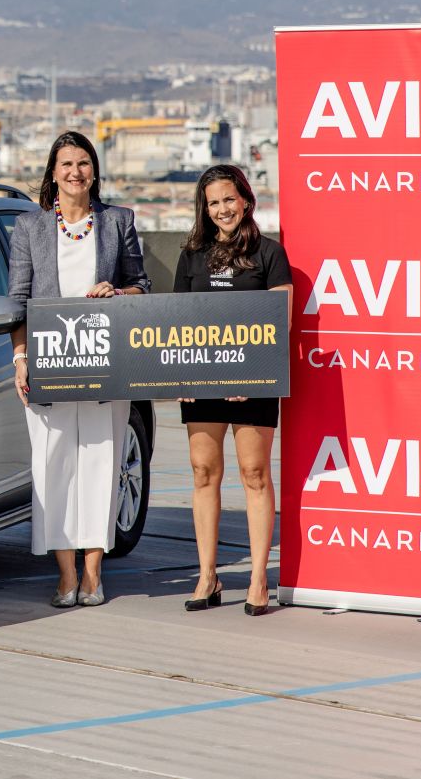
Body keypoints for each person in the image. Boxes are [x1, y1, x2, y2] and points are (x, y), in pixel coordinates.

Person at [8, 131, 147, 608]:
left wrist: (118, 293)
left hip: (106, 362)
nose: (75, 172)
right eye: (66, 164)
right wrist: (20, 359)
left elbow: (140, 288)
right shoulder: (28, 229)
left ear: (95, 171)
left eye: (83, 163)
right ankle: (65, 573)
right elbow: (17, 303)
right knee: (53, 467)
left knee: (101, 464)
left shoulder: (118, 222)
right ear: (52, 173)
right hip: (50, 364)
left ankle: (93, 572)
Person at [175, 163, 292, 616]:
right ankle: (208, 577)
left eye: (229, 199)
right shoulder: (191, 256)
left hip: (254, 380)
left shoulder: (270, 253)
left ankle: (260, 578)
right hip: (202, 379)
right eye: (213, 203)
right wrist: (180, 375)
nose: (222, 209)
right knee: (204, 472)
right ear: (204, 210)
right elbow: (177, 325)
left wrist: (251, 373)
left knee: (254, 474)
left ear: (245, 199)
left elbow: (280, 321)